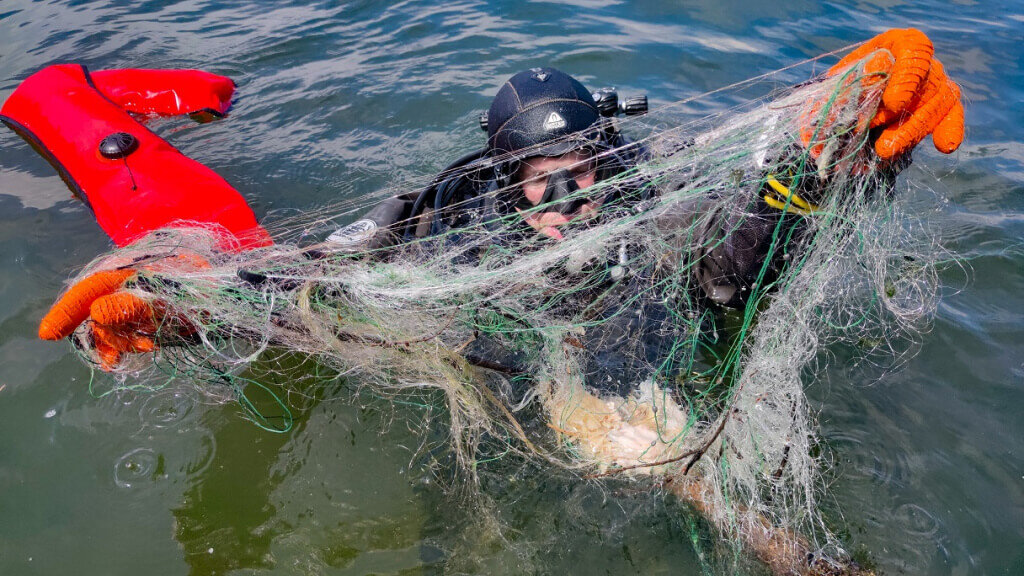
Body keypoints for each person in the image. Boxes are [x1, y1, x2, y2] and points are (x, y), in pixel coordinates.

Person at [38, 28, 964, 369]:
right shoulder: (444, 219)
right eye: (542, 179)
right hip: (505, 345)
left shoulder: (643, 184)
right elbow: (310, 276)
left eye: (585, 171)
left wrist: (857, 120)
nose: (570, 198)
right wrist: (184, 309)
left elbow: (751, 173)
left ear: (607, 155)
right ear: (503, 175)